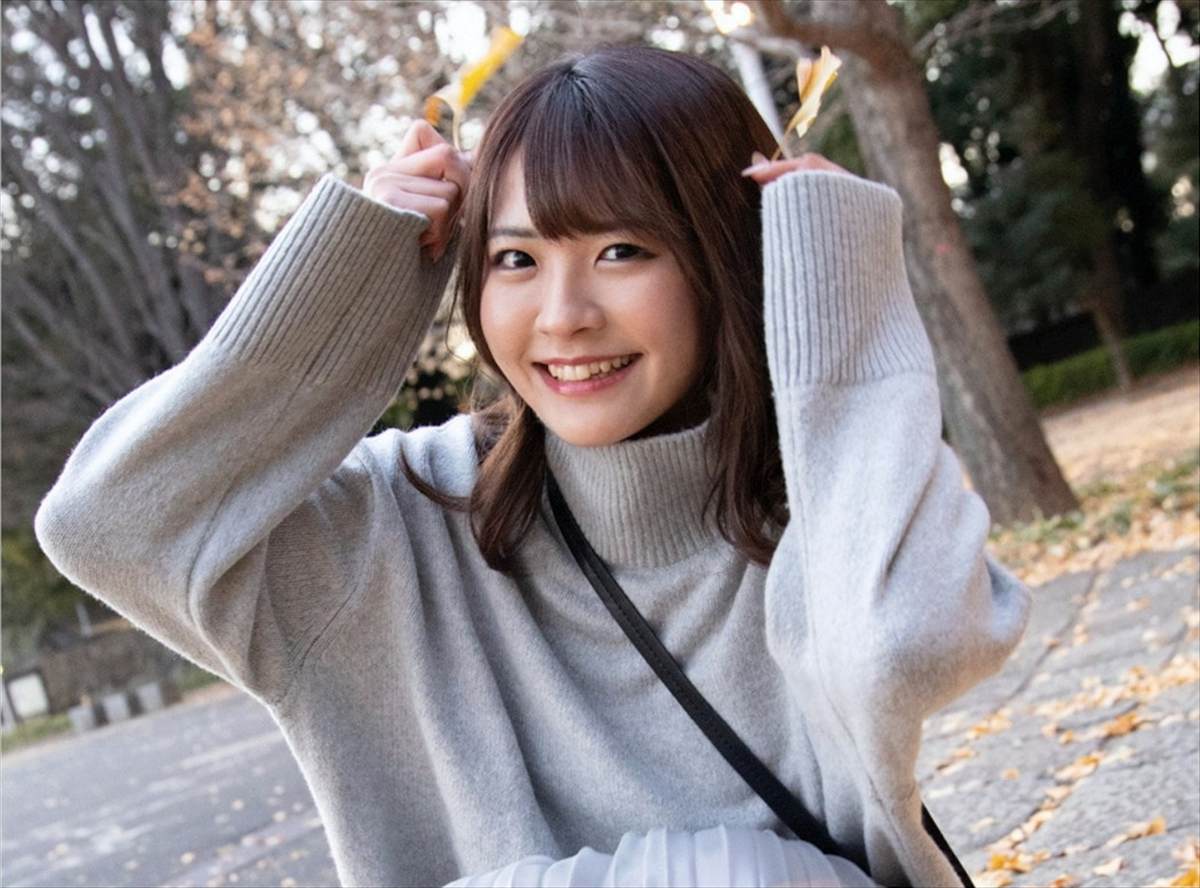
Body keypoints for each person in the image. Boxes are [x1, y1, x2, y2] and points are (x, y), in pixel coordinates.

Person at [33, 44, 1032, 888]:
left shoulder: (824, 499)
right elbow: (104, 524)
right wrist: (352, 261)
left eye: (622, 250)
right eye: (515, 259)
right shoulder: (397, 528)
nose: (562, 316)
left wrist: (841, 294)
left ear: (725, 256)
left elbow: (901, 644)